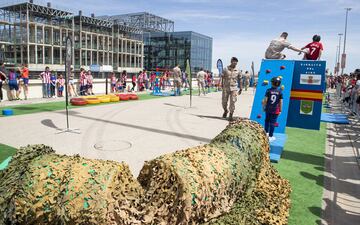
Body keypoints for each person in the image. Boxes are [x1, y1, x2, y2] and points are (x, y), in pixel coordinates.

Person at [221, 57, 242, 121]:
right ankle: (225, 110)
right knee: (224, 102)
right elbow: (222, 77)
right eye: (234, 61)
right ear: (231, 61)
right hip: (226, 87)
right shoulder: (225, 69)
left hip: (234, 87)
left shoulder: (238, 70)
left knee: (232, 101)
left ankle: (231, 114)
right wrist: (221, 84)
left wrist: (241, 88)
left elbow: (240, 79)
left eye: (236, 62)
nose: (235, 63)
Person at [262, 77, 283, 142]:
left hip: (268, 109)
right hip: (275, 110)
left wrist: (263, 107)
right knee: (273, 123)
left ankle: (266, 133)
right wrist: (280, 110)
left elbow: (265, 100)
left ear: (272, 83)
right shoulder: (280, 92)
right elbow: (281, 102)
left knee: (267, 121)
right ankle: (271, 136)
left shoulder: (268, 90)